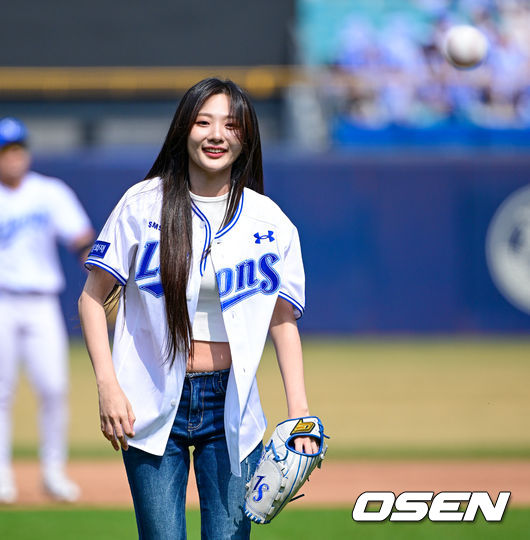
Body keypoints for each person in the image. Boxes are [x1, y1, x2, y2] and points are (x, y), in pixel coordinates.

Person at [78, 78, 317, 539]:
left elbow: (282, 320)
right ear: (183, 129)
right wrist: (108, 386)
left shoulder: (270, 221)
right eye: (203, 122)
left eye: (230, 124)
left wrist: (299, 413)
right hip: (148, 398)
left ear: (246, 137)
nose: (216, 135)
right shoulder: (142, 203)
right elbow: (91, 299)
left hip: (232, 405)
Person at [0, 117, 94, 503]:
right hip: (2, 301)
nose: (13, 157)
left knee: (54, 388)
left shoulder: (49, 192)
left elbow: (82, 240)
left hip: (41, 302)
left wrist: (103, 284)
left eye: (17, 149)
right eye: (5, 151)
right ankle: (2, 476)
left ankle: (53, 472)